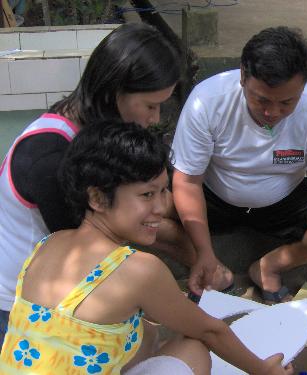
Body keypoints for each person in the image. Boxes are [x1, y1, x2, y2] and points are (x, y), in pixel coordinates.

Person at [0, 121, 293, 375]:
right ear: (98, 199)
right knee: (193, 348)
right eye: (147, 194)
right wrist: (263, 369)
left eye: (164, 191)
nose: (161, 207)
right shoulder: (138, 269)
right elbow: (210, 330)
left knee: (145, 330)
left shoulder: (49, 242)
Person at [0, 22, 185, 349]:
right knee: (153, 341)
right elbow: (100, 250)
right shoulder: (50, 157)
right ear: (115, 93)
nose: (155, 119)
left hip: (59, 289)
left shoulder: (89, 130)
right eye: (151, 106)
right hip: (22, 309)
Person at [171, 26, 307, 310]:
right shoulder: (207, 100)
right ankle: (211, 268)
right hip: (214, 197)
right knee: (145, 210)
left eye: (286, 102)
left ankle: (269, 266)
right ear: (243, 76)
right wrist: (204, 253)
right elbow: (188, 182)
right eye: (262, 100)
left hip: (283, 200)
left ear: (303, 87)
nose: (272, 113)